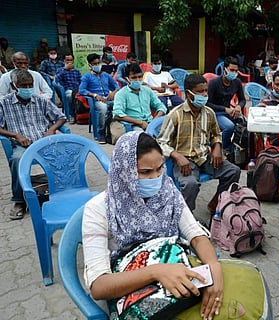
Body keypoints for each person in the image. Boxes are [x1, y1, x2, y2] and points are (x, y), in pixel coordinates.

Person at [82, 131, 223, 320]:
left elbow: (195, 234)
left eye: (160, 168)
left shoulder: (168, 192)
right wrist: (156, 272)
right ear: (123, 171)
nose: (156, 177)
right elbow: (99, 286)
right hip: (130, 287)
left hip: (175, 276)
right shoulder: (100, 209)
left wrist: (213, 267)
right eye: (145, 172)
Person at [158, 74, 241, 212]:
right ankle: (186, 218)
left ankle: (216, 203)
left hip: (204, 157)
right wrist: (177, 156)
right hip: (185, 160)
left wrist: (217, 147)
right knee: (190, 184)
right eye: (200, 91)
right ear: (188, 93)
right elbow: (160, 142)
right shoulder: (176, 114)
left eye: (205, 91)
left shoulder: (209, 113)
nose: (204, 94)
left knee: (233, 171)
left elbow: (216, 134)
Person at [0, 69, 66, 220]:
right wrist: (15, 135)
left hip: (43, 143)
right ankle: (19, 201)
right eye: (23, 85)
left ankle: (61, 193)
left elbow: (61, 117)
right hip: (21, 145)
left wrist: (51, 129)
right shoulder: (4, 103)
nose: (28, 88)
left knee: (64, 155)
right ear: (14, 85)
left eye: (30, 85)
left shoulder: (40, 100)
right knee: (17, 160)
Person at [206, 56, 246, 154]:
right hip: (215, 112)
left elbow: (242, 100)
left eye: (236, 71)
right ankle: (222, 148)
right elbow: (207, 103)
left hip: (230, 112)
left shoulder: (237, 82)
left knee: (246, 125)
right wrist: (224, 109)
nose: (234, 73)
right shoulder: (214, 83)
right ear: (225, 69)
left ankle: (238, 147)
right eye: (231, 70)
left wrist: (238, 106)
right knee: (229, 127)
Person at [78, 53, 120, 144]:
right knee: (103, 108)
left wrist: (113, 92)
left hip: (109, 98)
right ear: (90, 65)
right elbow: (81, 90)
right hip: (97, 100)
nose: (97, 65)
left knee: (119, 106)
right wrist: (94, 95)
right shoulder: (87, 77)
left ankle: (114, 131)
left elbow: (117, 86)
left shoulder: (106, 75)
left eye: (98, 63)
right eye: (95, 64)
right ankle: (101, 132)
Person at [112, 63, 166, 131]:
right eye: (134, 78)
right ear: (127, 79)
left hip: (150, 122)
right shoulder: (121, 94)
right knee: (142, 136)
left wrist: (155, 120)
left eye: (140, 77)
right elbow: (117, 114)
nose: (137, 80)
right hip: (133, 125)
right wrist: (140, 122)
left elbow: (160, 106)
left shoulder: (147, 90)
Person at [55, 53, 82, 123]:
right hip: (67, 89)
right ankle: (72, 115)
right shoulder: (60, 70)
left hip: (77, 89)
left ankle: (81, 115)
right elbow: (56, 80)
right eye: (67, 60)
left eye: (71, 60)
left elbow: (81, 81)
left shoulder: (77, 71)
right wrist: (65, 69)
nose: (69, 62)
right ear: (64, 61)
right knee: (70, 96)